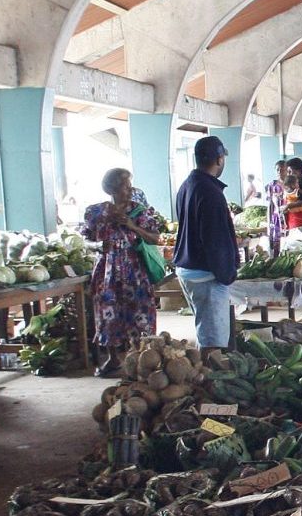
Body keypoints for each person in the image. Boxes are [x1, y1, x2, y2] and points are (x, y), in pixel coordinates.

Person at [80, 167, 169, 378]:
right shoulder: (95, 213)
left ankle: (142, 359)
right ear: (111, 189)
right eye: (125, 186)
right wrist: (97, 246)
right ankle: (113, 358)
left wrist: (133, 226)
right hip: (107, 271)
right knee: (108, 314)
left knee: (140, 314)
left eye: (130, 185)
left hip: (134, 270)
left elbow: (155, 238)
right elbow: (86, 239)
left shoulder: (139, 211)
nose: (130, 190)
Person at [173, 134, 240, 351]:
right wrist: (226, 274)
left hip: (189, 269)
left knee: (207, 332)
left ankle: (209, 378)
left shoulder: (187, 185)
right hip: (206, 275)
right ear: (219, 159)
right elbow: (215, 240)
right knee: (213, 341)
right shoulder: (210, 192)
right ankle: (210, 382)